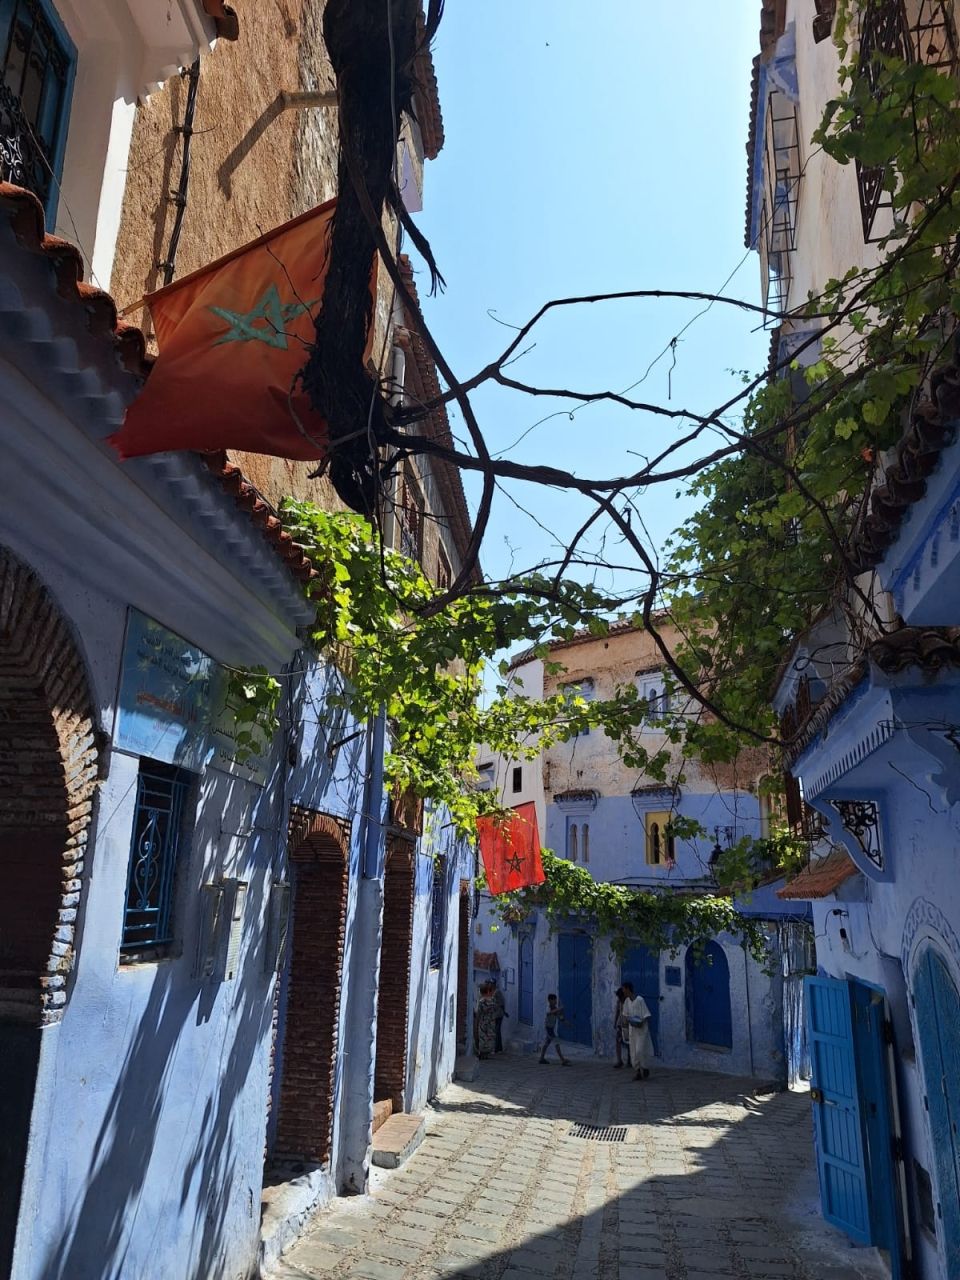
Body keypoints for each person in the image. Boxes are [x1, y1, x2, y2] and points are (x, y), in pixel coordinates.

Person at [620, 981, 654, 1080]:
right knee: (634, 1052)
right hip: (632, 1030)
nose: (623, 991)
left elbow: (647, 1015)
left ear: (627, 989)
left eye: (623, 989)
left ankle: (645, 1067)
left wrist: (640, 1021)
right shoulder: (626, 1002)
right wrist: (627, 1021)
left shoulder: (640, 1000)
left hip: (641, 1030)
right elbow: (625, 1015)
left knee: (640, 1050)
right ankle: (638, 1071)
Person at [539, 993, 570, 1065]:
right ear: (550, 1000)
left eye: (556, 1000)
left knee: (547, 1043)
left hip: (551, 1028)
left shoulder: (555, 1008)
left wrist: (566, 1022)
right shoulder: (548, 1007)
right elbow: (549, 1013)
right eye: (554, 1000)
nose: (555, 1001)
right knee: (556, 1042)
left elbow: (560, 1017)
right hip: (548, 1028)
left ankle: (541, 1058)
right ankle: (562, 1060)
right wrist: (559, 1008)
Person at [476, 982, 499, 1059]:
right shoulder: (493, 1000)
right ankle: (487, 1053)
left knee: (482, 1037)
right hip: (491, 1022)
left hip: (483, 1022)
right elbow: (496, 1010)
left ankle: (482, 1053)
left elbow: (479, 1013)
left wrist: (477, 1021)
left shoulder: (481, 1002)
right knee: (490, 1037)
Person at [614, 985, 631, 1068]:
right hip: (620, 1024)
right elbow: (617, 1012)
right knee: (618, 1041)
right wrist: (615, 1023)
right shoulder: (619, 1001)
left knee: (628, 1043)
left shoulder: (629, 1001)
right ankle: (619, 1060)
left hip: (627, 1024)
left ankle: (629, 1060)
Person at [491, 981, 506, 1053]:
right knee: (496, 1031)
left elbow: (502, 1002)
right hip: (495, 1014)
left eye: (491, 983)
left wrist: (504, 1012)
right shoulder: (494, 992)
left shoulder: (497, 992)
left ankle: (498, 1048)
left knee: (497, 1031)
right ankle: (498, 1047)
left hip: (498, 1014)